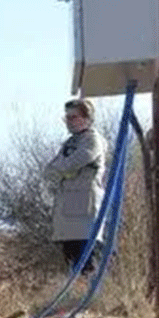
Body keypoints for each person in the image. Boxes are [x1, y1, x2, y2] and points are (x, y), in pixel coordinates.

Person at [43, 98, 107, 275]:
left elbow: (70, 165)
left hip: (85, 215)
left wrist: (65, 170)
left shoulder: (93, 141)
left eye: (73, 117)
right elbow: (49, 170)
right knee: (72, 266)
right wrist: (65, 171)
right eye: (67, 118)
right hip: (66, 216)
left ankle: (89, 300)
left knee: (87, 266)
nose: (69, 122)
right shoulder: (69, 143)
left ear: (87, 118)